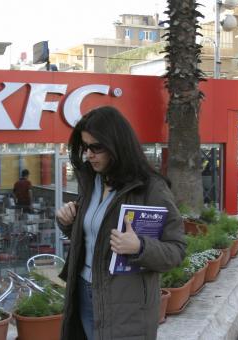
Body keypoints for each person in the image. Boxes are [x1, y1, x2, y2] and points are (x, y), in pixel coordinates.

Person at [55, 106, 186, 340]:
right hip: (84, 291)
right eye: (85, 147)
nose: (89, 154)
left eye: (96, 147)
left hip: (126, 304)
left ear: (117, 145)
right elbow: (93, 235)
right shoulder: (91, 181)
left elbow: (176, 251)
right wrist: (68, 221)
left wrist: (140, 247)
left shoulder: (150, 188)